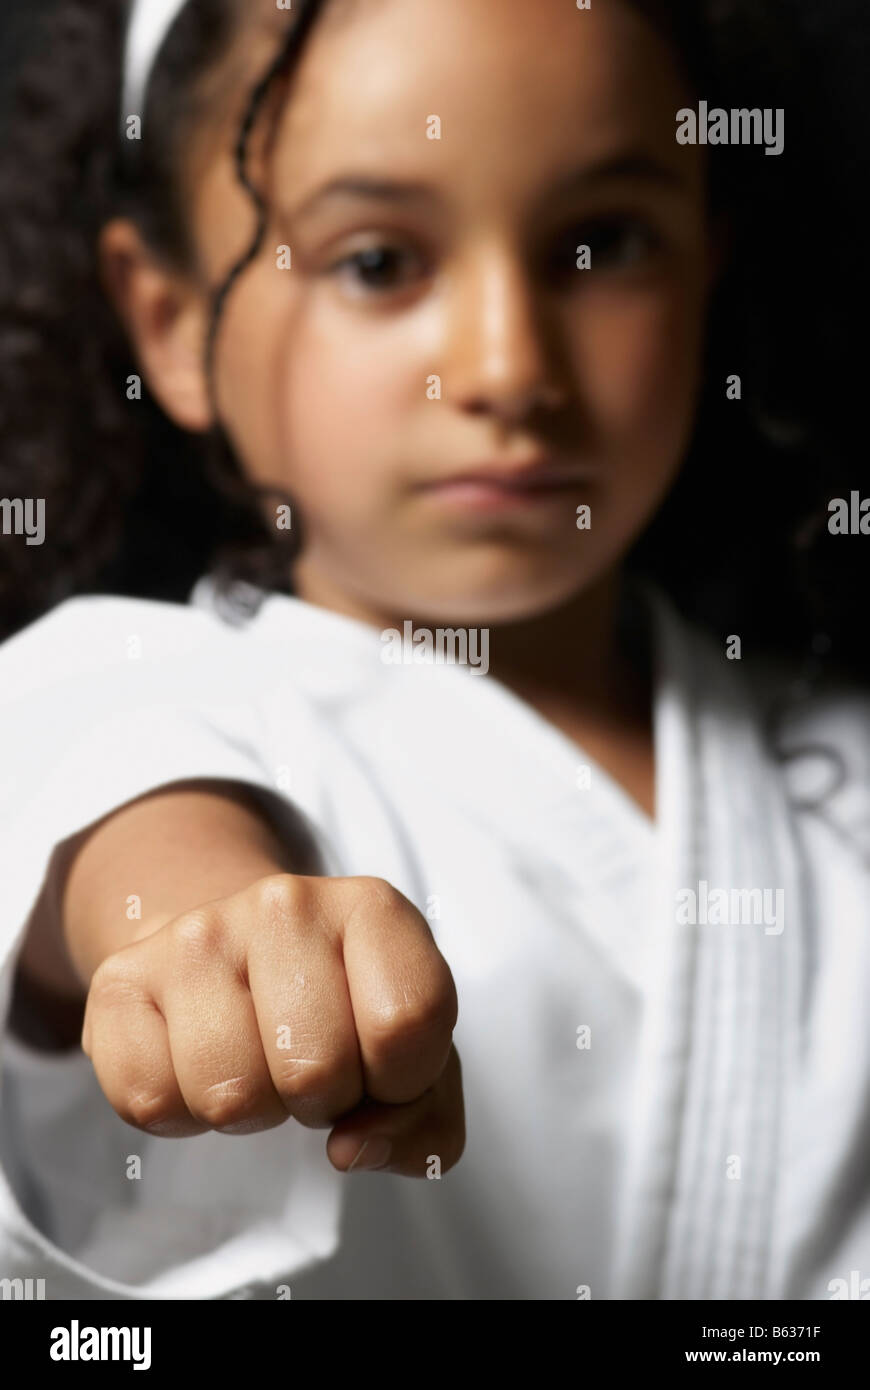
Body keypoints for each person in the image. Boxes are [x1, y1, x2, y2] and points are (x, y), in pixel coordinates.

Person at [0, 0, 868, 1301]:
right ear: (173, 323)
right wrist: (202, 930)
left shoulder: (838, 750)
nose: (506, 365)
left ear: (707, 264)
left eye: (599, 242)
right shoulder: (131, 690)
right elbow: (118, 827)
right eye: (375, 262)